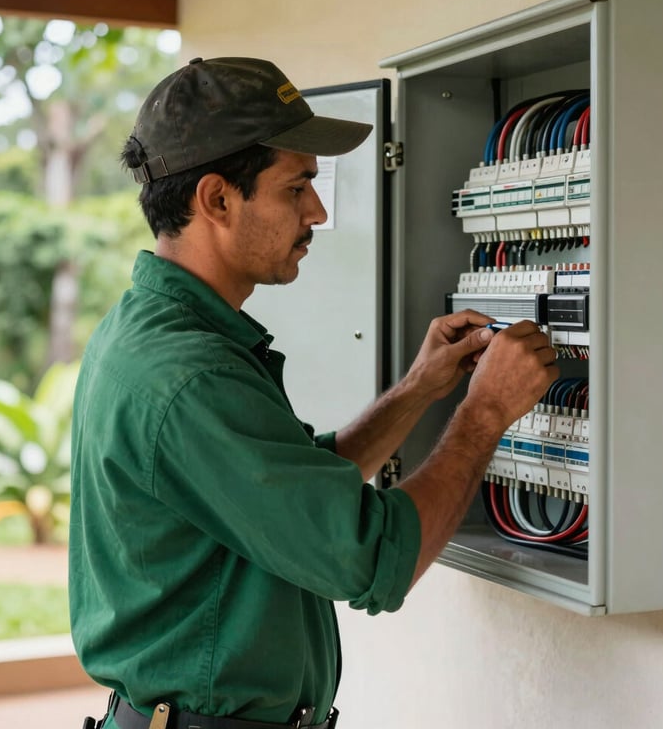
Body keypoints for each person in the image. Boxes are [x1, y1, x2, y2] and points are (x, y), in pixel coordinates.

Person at [69, 57, 558, 729]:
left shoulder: (152, 332)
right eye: (297, 186)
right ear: (217, 199)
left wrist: (417, 392)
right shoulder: (191, 374)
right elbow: (372, 559)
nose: (318, 210)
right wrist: (486, 412)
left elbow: (295, 491)